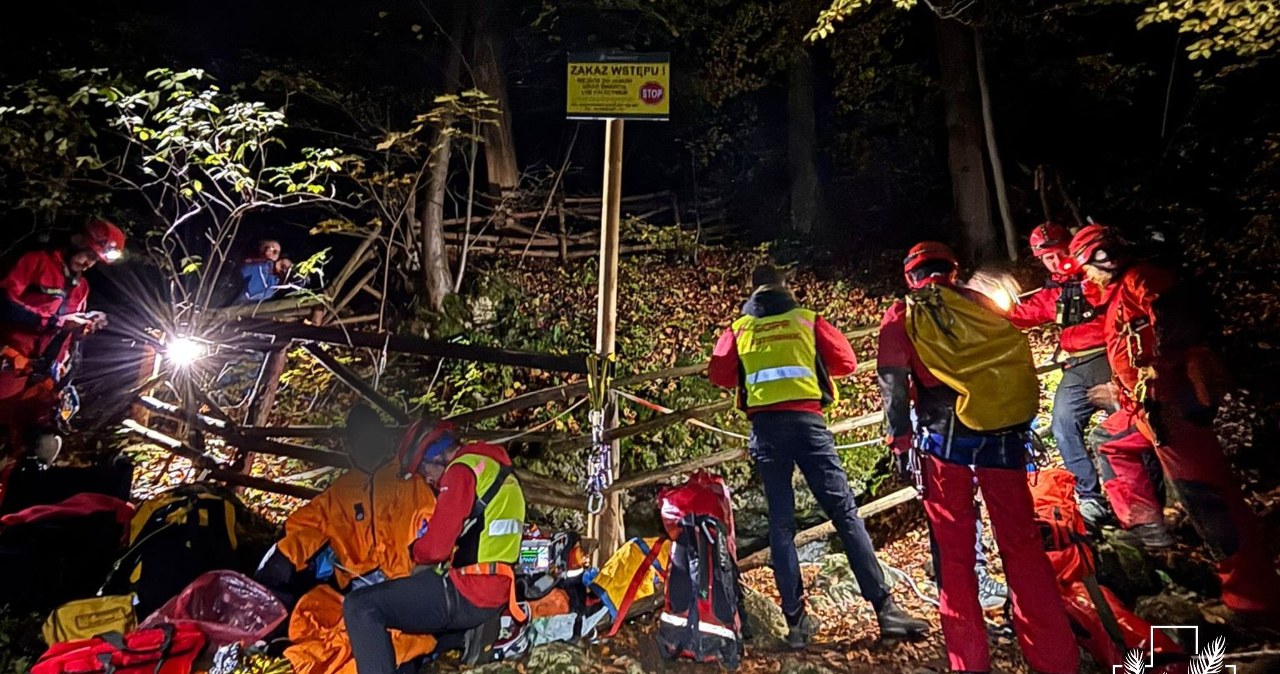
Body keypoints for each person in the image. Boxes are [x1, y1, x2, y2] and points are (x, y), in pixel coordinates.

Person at [878, 242, 1078, 674]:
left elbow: (893, 380)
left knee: (955, 559)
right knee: (1022, 548)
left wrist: (900, 441)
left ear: (910, 276)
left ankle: (969, 663)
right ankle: (1056, 660)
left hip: (943, 446)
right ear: (953, 271)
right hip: (1001, 437)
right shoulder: (982, 303)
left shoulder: (903, 314)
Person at [708, 264, 928, 649]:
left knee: (780, 526)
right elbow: (847, 362)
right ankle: (886, 609)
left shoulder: (738, 330)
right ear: (785, 287)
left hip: (766, 431)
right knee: (844, 514)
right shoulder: (808, 321)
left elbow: (719, 375)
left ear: (753, 290)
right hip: (808, 424)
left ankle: (795, 623)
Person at [1069, 224, 1280, 615]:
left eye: (1089, 266)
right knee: (1110, 441)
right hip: (1148, 410)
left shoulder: (1141, 279)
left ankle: (1253, 601)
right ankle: (1151, 535)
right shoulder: (1119, 291)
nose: (1090, 275)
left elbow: (1175, 326)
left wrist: (1162, 377)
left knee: (1210, 500)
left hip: (1172, 409)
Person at [255, 404, 439, 674]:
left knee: (393, 645)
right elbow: (299, 526)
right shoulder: (340, 491)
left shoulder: (407, 481)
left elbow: (432, 526)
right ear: (351, 446)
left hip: (403, 583)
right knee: (313, 627)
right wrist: (324, 553)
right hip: (351, 587)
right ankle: (263, 631)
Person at [344, 417, 526, 674]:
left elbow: (436, 549)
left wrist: (413, 549)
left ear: (437, 458)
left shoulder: (461, 471)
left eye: (423, 471)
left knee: (360, 607)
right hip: (493, 587)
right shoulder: (497, 470)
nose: (428, 480)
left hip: (468, 591)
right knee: (413, 639)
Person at [0, 219, 124, 502]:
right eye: (89, 254)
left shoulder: (81, 289)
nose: (89, 263)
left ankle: (15, 513)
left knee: (42, 444)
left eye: (95, 260)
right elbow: (4, 304)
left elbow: (66, 335)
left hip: (41, 380)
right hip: (8, 367)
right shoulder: (35, 262)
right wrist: (55, 322)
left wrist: (85, 325)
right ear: (77, 240)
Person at [1006, 223, 1119, 527]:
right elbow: (1020, 315)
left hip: (1110, 358)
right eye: (1047, 259)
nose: (1056, 262)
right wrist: (983, 302)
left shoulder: (1097, 275)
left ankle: (1142, 496)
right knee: (1063, 424)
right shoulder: (1053, 291)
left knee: (1130, 428)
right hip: (1077, 366)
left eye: (1059, 254)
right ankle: (1090, 497)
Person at [239, 239, 293, 303]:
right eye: (274, 250)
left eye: (278, 253)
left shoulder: (271, 288)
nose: (276, 255)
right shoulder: (255, 265)